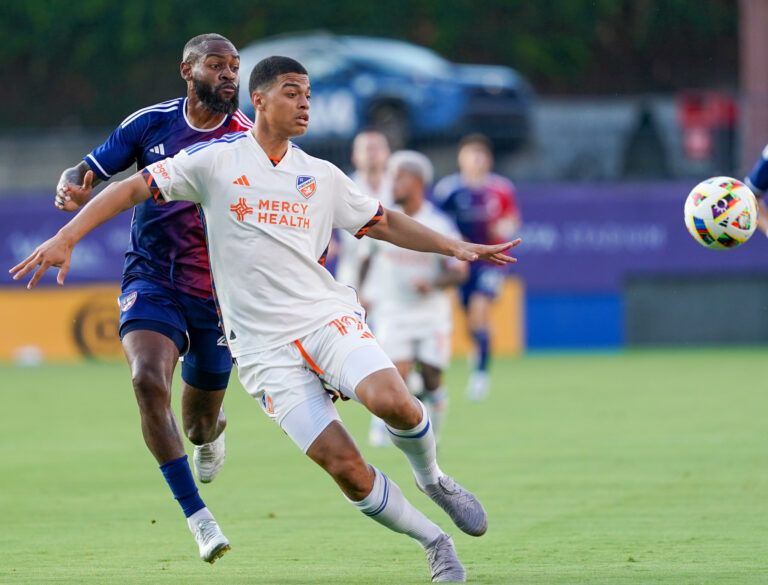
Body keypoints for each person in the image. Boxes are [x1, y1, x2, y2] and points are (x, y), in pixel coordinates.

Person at [12, 56, 521, 583]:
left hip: (325, 319)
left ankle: (433, 478)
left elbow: (382, 220)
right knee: (345, 469)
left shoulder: (319, 174)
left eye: (308, 95)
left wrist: (454, 247)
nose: (305, 104)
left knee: (394, 402)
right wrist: (66, 236)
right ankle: (434, 543)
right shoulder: (214, 161)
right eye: (292, 93)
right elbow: (133, 187)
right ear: (260, 100)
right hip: (261, 352)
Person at [52, 33, 254, 563]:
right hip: (151, 278)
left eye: (235, 67)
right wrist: (73, 184)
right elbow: (90, 170)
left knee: (197, 423)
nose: (230, 75)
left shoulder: (247, 141)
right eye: (217, 65)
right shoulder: (150, 123)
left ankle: (215, 429)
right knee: (146, 379)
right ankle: (199, 518)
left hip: (214, 292)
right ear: (187, 71)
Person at [360, 150, 467, 448]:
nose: (391, 183)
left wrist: (433, 283)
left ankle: (436, 434)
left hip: (431, 312)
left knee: (432, 377)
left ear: (417, 181)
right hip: (393, 309)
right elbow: (366, 258)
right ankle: (381, 425)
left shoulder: (438, 223)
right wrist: (359, 291)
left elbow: (459, 272)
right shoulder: (383, 219)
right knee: (396, 374)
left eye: (398, 177)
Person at [433, 134, 521, 401]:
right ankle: (478, 350)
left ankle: (481, 376)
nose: (477, 160)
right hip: (461, 262)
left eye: (481, 155)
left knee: (480, 310)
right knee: (469, 318)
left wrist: (504, 229)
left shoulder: (501, 188)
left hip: (490, 261)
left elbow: (512, 219)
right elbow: (437, 224)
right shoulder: (449, 190)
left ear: (489, 159)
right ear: (461, 159)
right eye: (472, 154)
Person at [333, 128, 392, 290]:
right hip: (352, 272)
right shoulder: (341, 187)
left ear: (387, 153)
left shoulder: (399, 188)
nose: (372, 154)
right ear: (354, 155)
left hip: (393, 274)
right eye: (367, 149)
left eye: (377, 148)